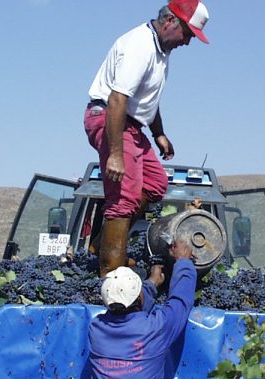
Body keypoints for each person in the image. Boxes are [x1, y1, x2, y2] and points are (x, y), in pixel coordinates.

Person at [84, 0, 210, 277]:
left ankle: (101, 244)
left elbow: (146, 102)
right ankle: (110, 274)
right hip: (110, 119)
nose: (187, 43)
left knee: (155, 183)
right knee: (124, 197)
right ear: (169, 22)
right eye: (187, 35)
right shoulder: (140, 47)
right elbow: (118, 100)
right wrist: (116, 154)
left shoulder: (160, 52)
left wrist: (159, 134)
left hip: (132, 125)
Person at [88, 240, 197, 379]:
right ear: (140, 298)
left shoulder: (96, 329)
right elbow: (180, 301)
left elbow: (127, 306)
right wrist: (183, 262)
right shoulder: (155, 328)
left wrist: (152, 284)